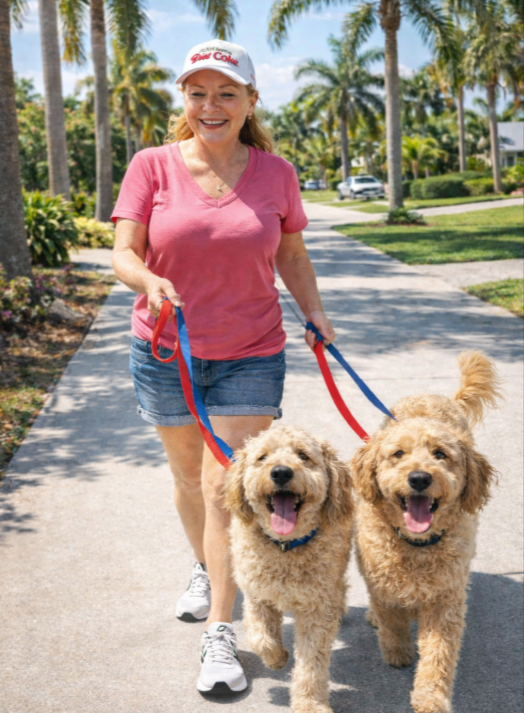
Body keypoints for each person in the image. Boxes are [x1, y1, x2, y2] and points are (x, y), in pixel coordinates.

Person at [111, 39, 335, 695]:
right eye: (198, 92)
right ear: (185, 99)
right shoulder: (151, 166)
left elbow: (291, 255)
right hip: (165, 349)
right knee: (187, 477)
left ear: (249, 101)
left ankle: (220, 635)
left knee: (223, 488)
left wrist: (316, 313)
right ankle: (210, 567)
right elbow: (123, 251)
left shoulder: (276, 173)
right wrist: (147, 278)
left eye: (225, 93)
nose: (211, 105)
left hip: (252, 350)